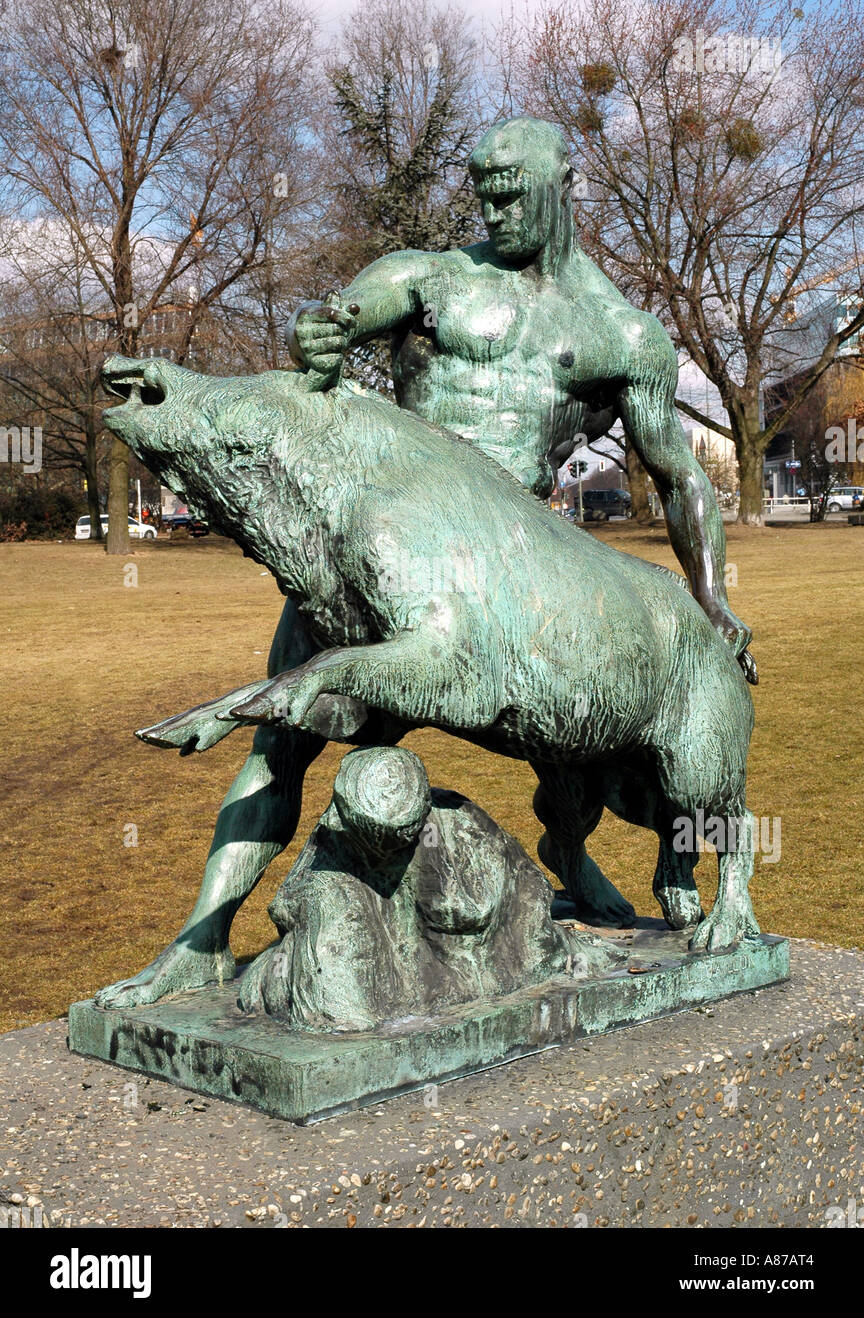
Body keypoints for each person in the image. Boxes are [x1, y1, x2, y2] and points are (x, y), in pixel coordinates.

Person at [96, 116, 753, 1009]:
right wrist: (317, 335)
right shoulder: (428, 275)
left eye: (512, 185)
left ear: (565, 181)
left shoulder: (623, 337)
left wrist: (712, 600)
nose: (494, 201)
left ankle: (598, 857)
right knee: (280, 748)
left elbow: (680, 478)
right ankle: (201, 943)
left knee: (593, 729)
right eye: (482, 185)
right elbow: (337, 320)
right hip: (374, 542)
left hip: (502, 575)